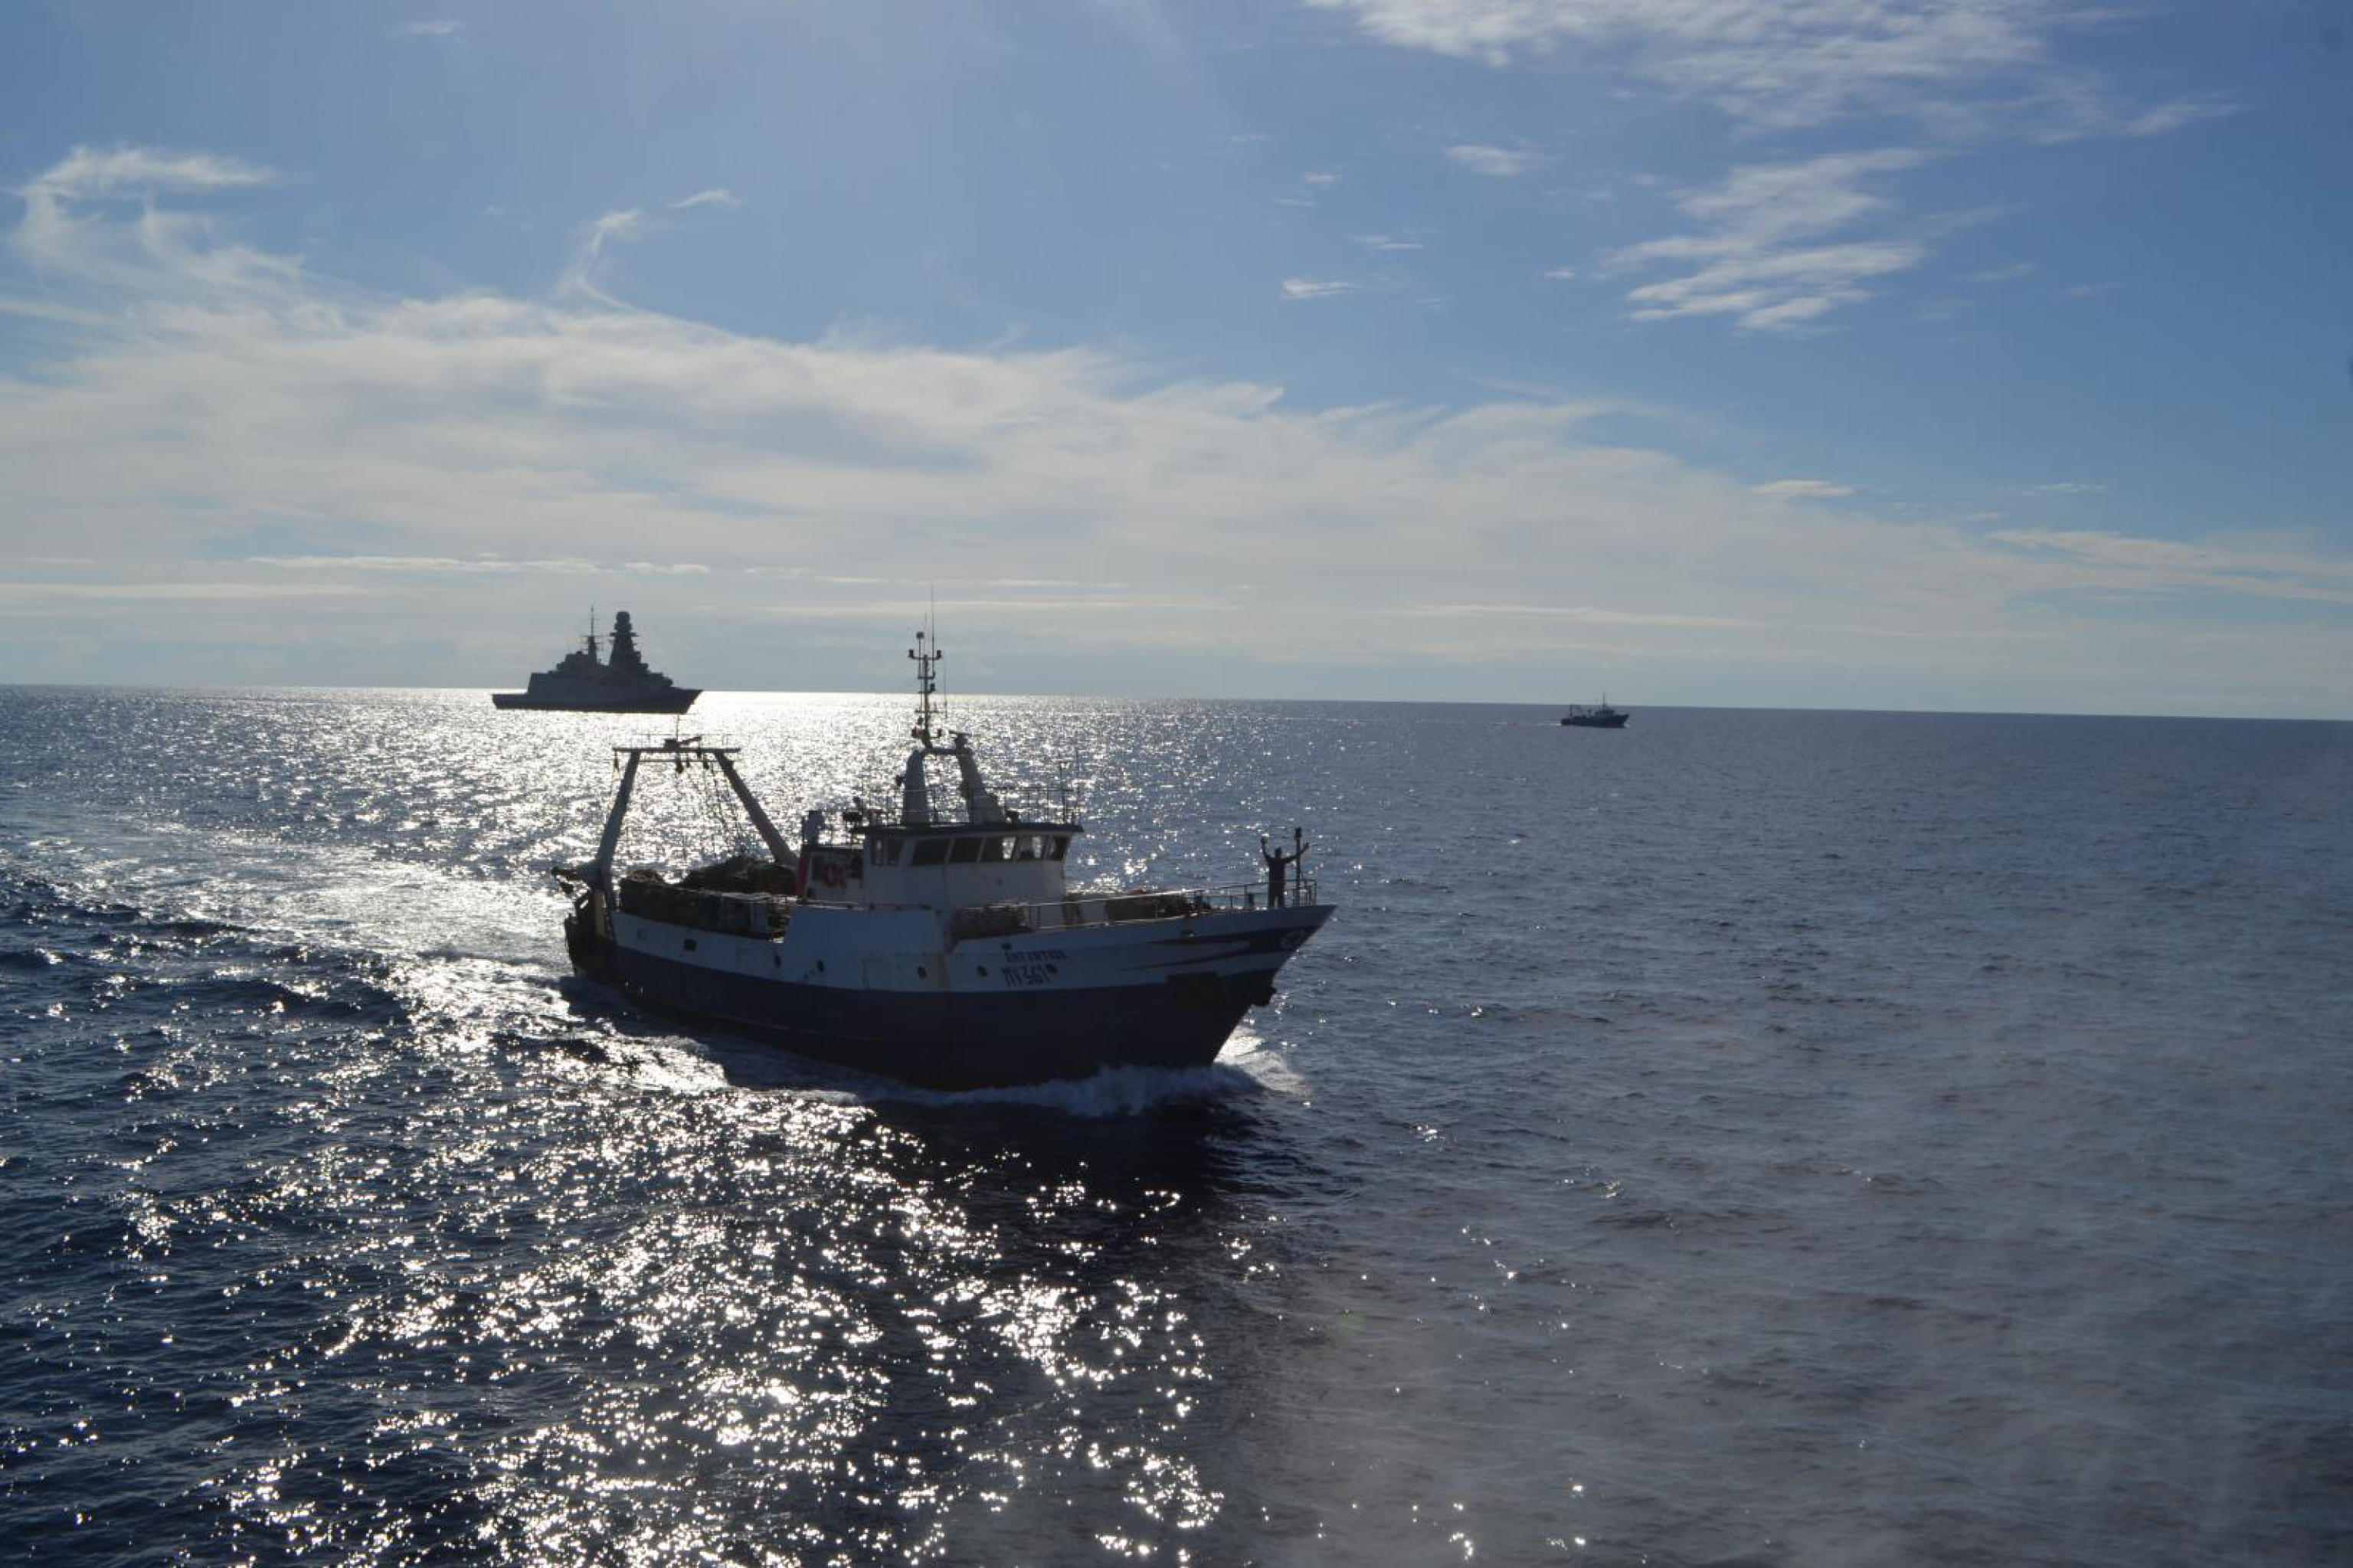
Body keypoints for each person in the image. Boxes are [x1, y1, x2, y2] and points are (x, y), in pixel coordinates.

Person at [1260, 827, 1311, 908]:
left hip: (1273, 886)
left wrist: (1263, 844)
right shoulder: (1281, 861)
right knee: (1280, 905)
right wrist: (1304, 850)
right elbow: (1294, 856)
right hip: (1279, 886)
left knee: (1271, 905)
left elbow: (1264, 853)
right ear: (1280, 854)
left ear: (1276, 854)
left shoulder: (1271, 861)